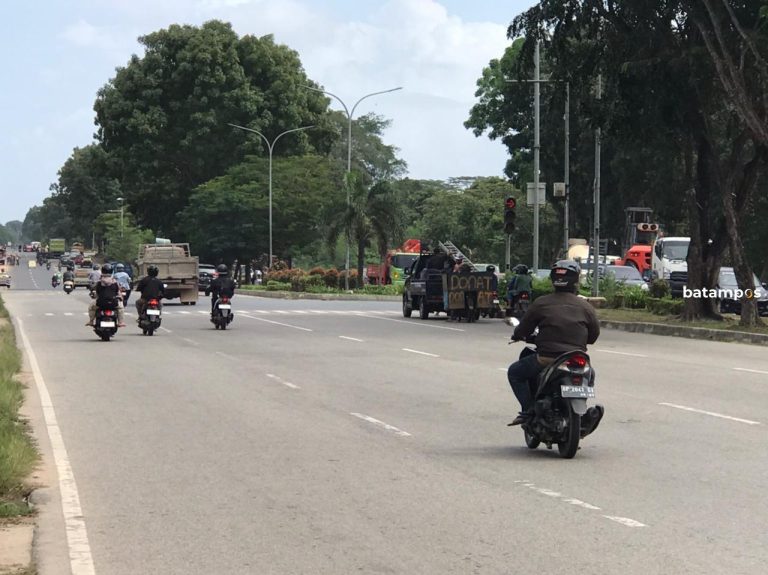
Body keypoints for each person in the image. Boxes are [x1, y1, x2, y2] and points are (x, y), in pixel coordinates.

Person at [506, 260, 603, 428]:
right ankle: (582, 410)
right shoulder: (585, 306)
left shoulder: (542, 303)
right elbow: (593, 335)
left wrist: (518, 335)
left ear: (553, 280)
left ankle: (529, 410)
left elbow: (524, 328)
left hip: (547, 358)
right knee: (590, 375)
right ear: (576, 280)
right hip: (578, 359)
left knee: (515, 372)